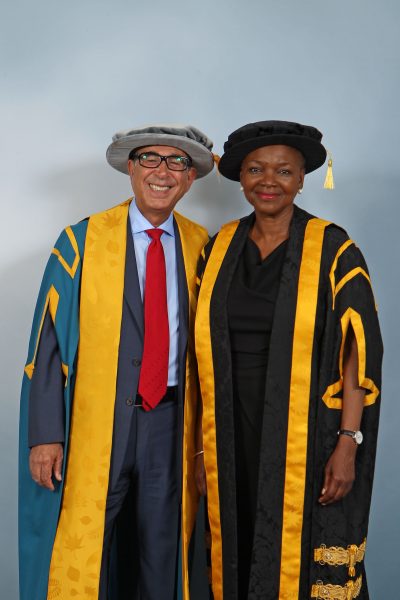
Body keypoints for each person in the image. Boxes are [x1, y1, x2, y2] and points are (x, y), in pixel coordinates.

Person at [19, 124, 215, 600]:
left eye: (177, 163)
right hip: (95, 422)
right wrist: (47, 434)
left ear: (190, 179)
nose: (162, 172)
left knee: (161, 545)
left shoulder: (203, 247)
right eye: (150, 159)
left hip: (170, 421)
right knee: (90, 547)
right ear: (130, 168)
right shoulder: (81, 242)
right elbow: (47, 346)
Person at [194, 121, 382, 600]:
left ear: (302, 178)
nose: (268, 180)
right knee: (233, 542)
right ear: (240, 178)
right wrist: (198, 446)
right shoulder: (219, 248)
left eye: (283, 170)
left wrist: (348, 442)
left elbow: (357, 357)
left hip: (308, 433)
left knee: (299, 549)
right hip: (230, 428)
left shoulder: (334, 249)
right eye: (256, 169)